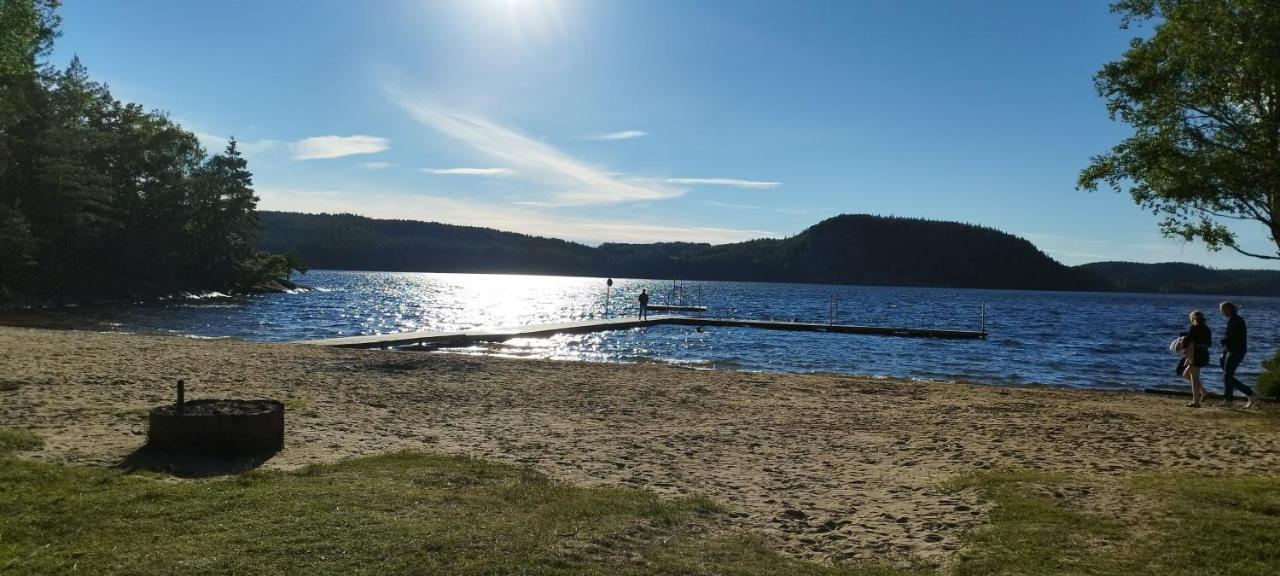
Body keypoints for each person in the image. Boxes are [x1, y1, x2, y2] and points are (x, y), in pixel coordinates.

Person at [1218, 301, 1256, 408]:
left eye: (1222, 310)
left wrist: (1223, 341)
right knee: (1227, 375)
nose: (1222, 313)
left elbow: (1234, 336)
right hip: (1232, 350)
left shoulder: (1236, 321)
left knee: (1227, 377)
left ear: (1228, 309)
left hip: (1236, 351)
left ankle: (1250, 394)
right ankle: (1229, 399)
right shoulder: (1234, 320)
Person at [1180, 310, 1212, 408]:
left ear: (1193, 319)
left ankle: (1196, 401)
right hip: (1204, 354)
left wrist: (1183, 340)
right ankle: (1203, 392)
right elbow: (1209, 344)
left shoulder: (1194, 328)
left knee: (1194, 377)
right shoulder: (1207, 329)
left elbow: (1187, 341)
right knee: (1186, 374)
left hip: (1195, 354)